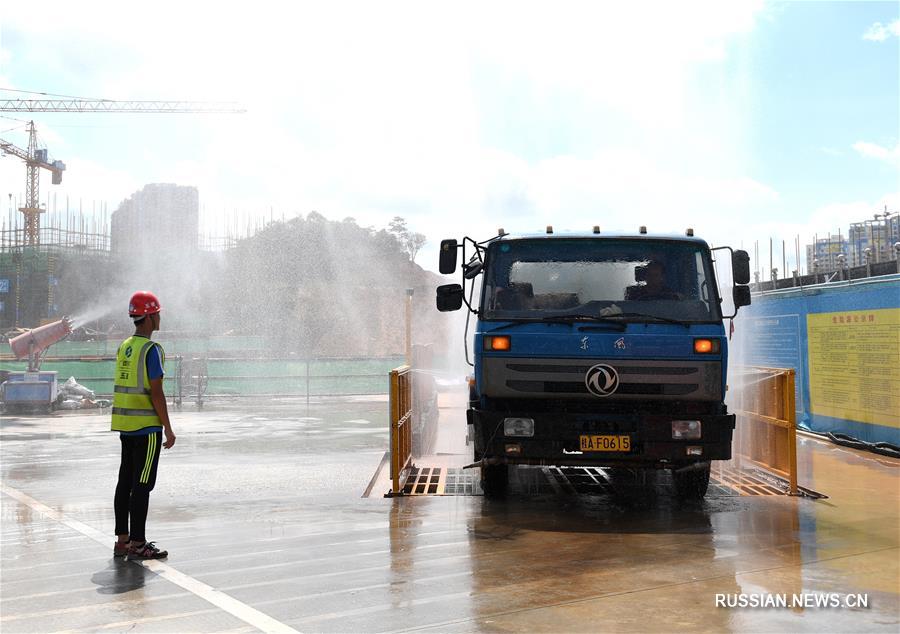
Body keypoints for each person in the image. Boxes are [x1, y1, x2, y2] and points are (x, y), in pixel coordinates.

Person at [111, 291, 175, 560]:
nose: (160, 318)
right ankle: (139, 544)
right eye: (157, 314)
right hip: (147, 429)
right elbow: (156, 393)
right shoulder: (152, 350)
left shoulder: (125, 346)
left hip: (125, 425)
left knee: (125, 482)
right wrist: (168, 429)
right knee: (143, 485)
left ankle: (123, 541)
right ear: (148, 317)